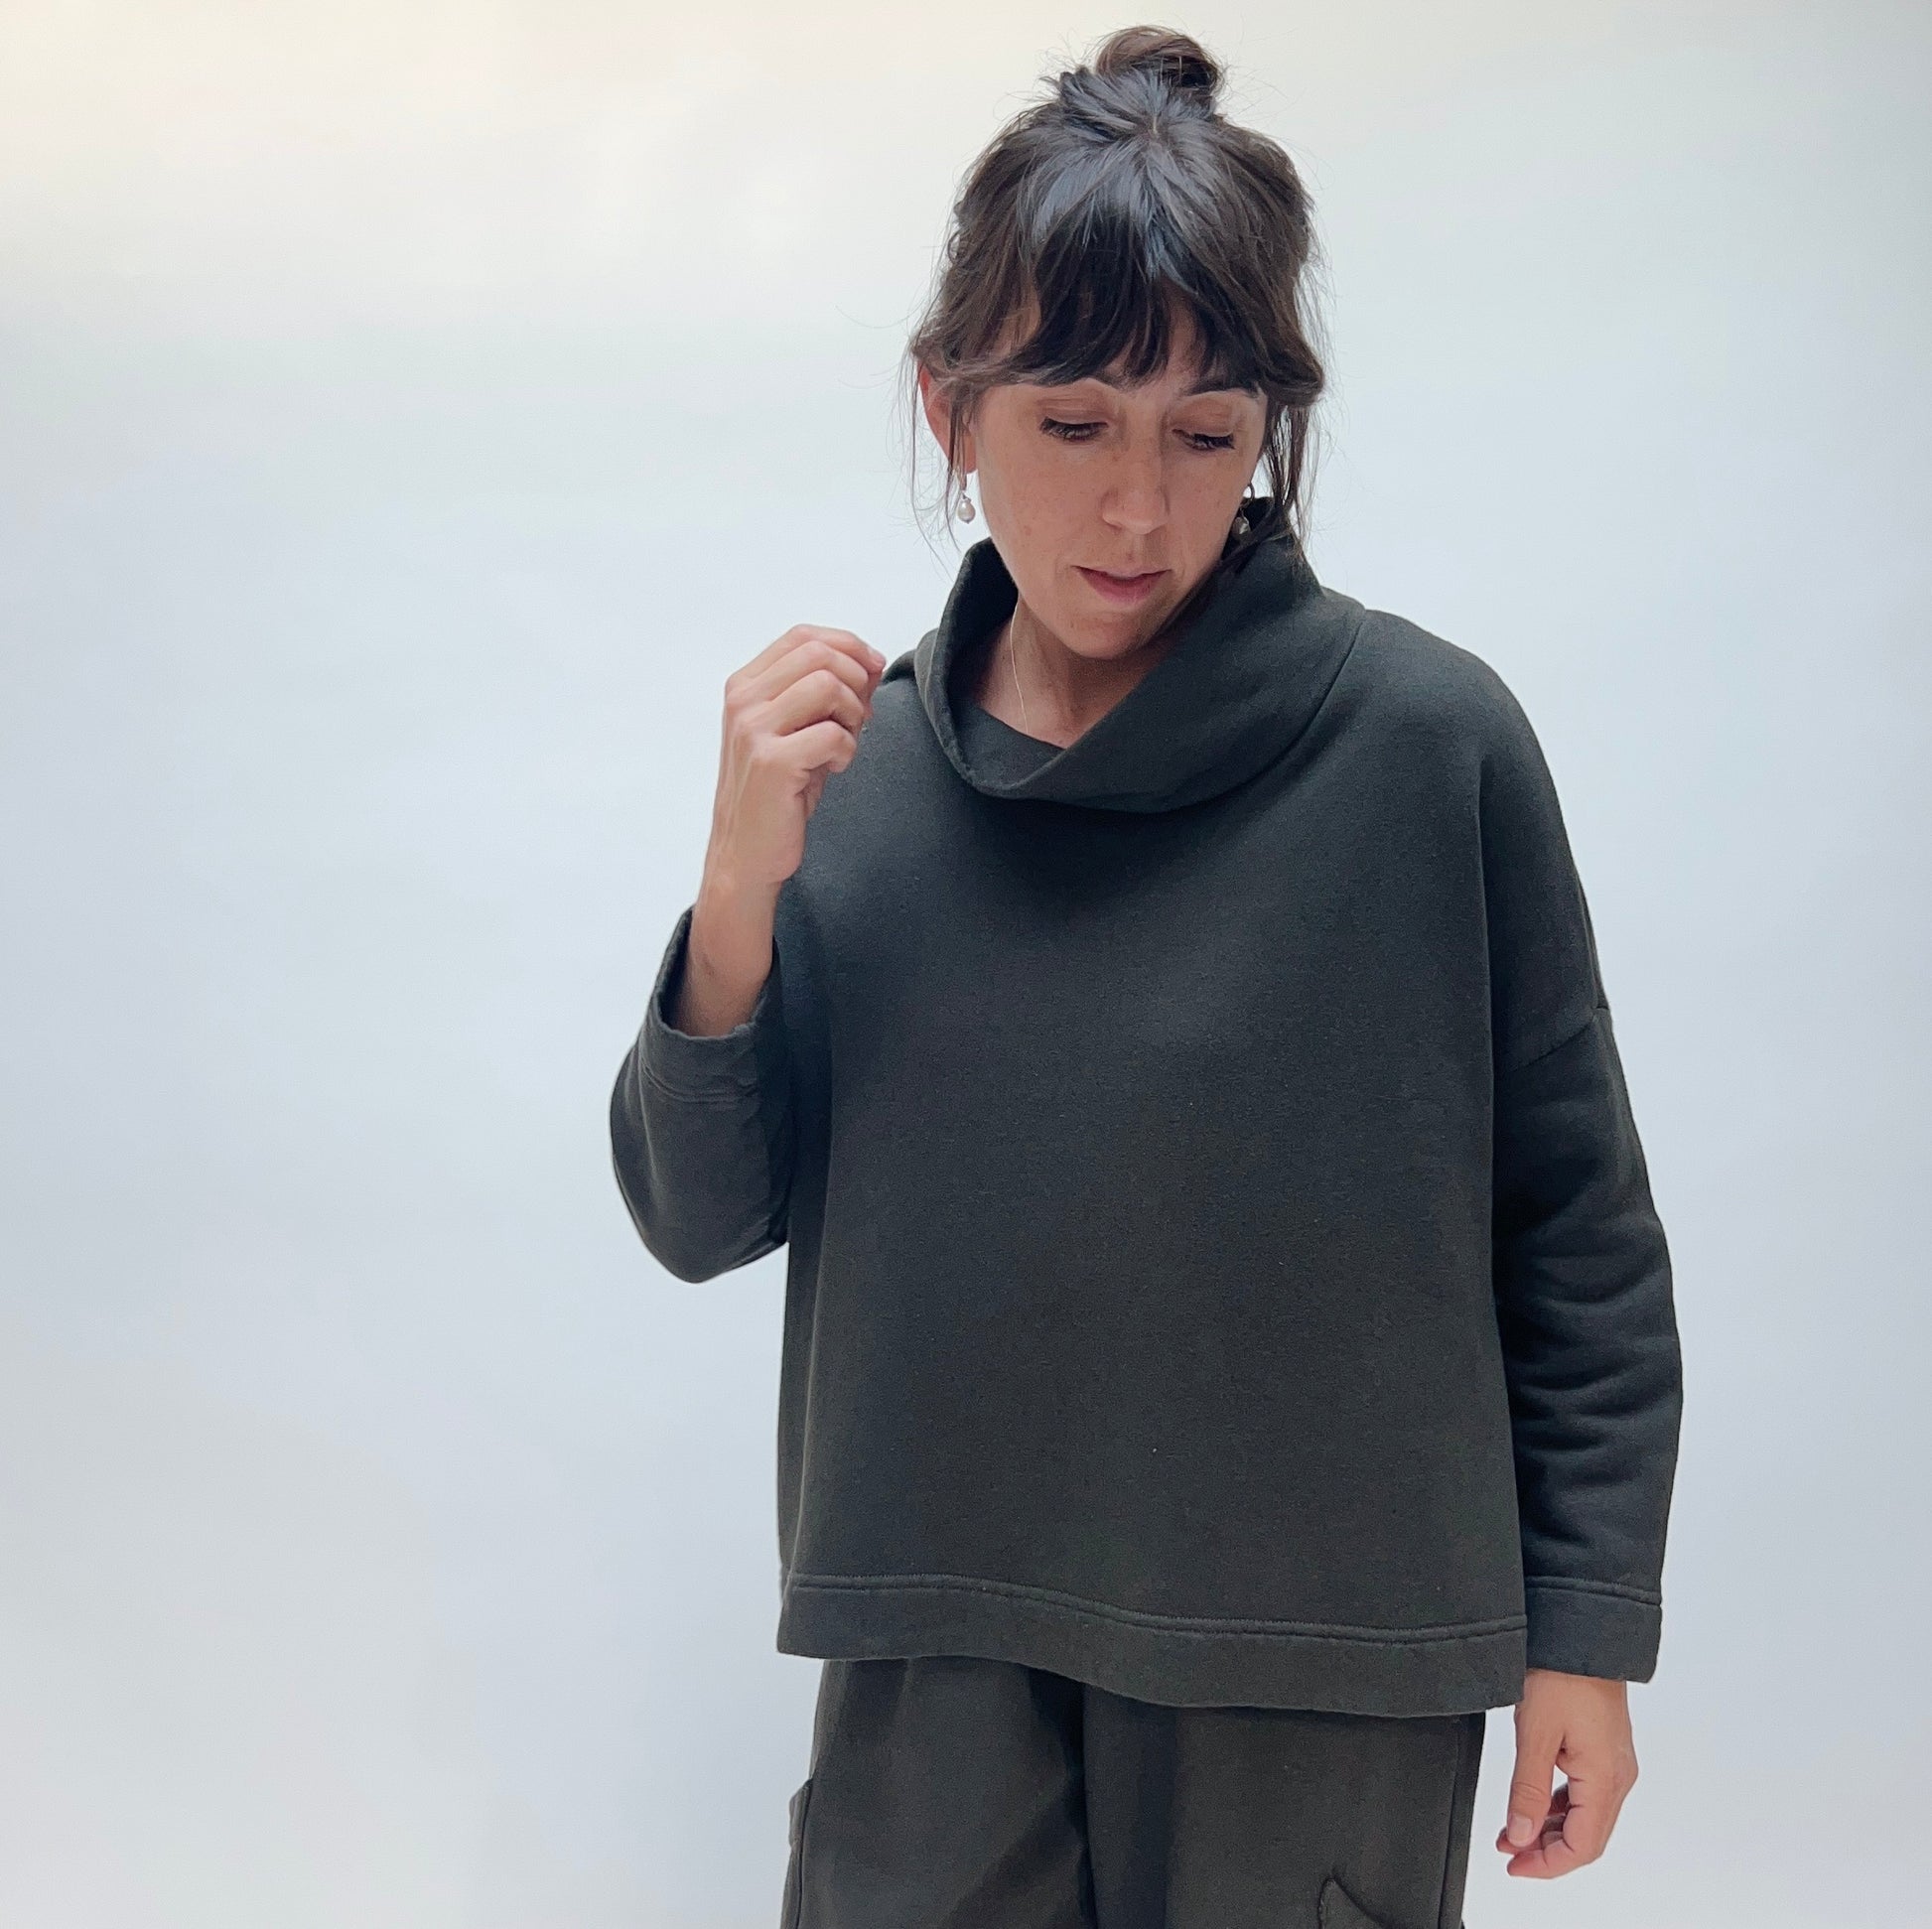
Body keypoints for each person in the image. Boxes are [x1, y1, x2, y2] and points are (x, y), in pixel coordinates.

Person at [609, 24, 1684, 1928]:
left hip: (1326, 1661)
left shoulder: (1425, 750)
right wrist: (734, 895)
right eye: (1073, 426)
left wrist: (1583, 1631)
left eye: (1204, 434)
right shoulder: (852, 779)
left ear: (1270, 425)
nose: (1136, 511)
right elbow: (699, 1222)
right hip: (936, 1642)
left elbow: (1573, 1224)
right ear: (949, 409)